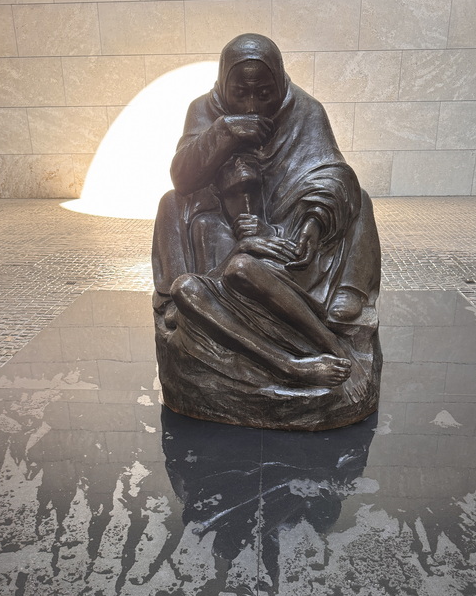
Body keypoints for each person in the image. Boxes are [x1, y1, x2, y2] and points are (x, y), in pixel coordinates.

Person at [152, 34, 380, 395]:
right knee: (171, 202)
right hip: (224, 219)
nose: (252, 105)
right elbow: (183, 177)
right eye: (240, 94)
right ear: (223, 84)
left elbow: (331, 173)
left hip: (286, 221)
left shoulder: (306, 110)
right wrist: (224, 131)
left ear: (280, 83)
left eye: (263, 94)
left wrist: (313, 222)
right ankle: (174, 300)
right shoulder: (203, 109)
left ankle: (346, 291)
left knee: (357, 197)